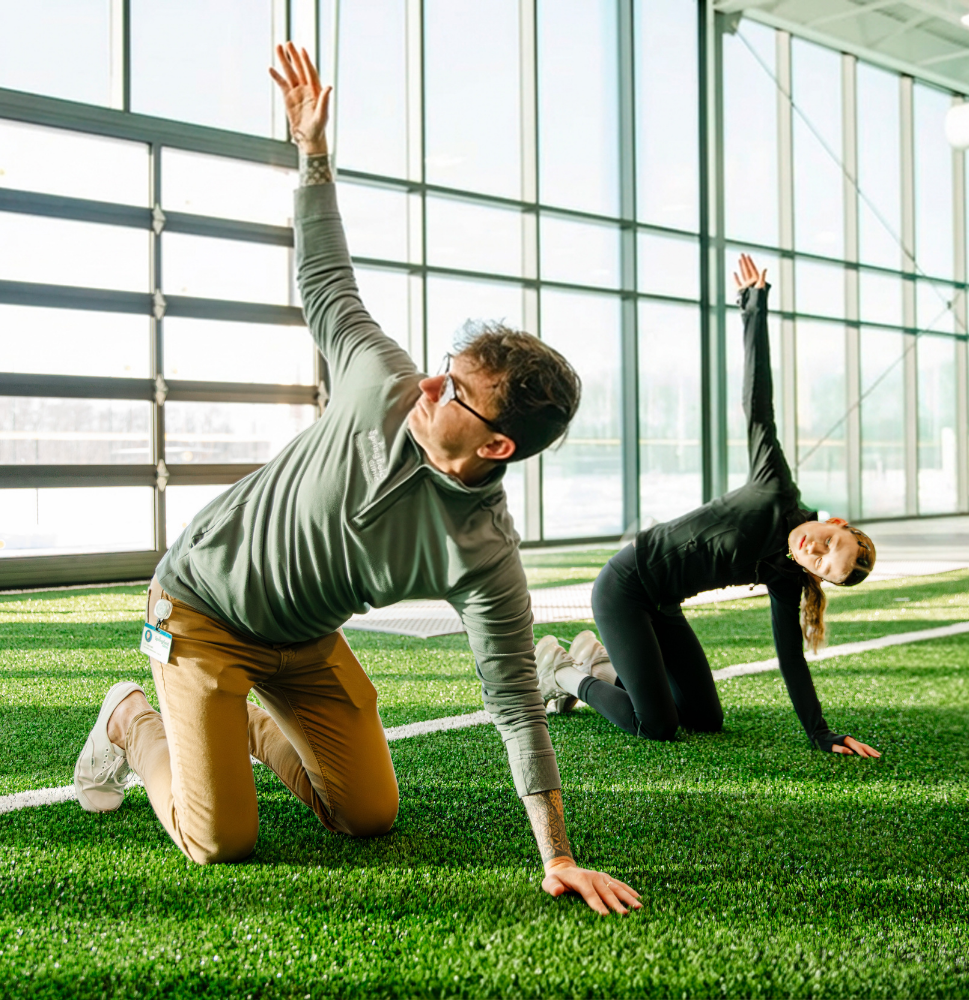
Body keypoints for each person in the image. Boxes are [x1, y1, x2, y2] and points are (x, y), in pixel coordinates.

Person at [72, 42, 640, 917]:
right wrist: (313, 152)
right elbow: (324, 280)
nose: (429, 385)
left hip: (300, 644)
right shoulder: (381, 376)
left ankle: (241, 726)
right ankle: (129, 721)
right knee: (221, 842)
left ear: (495, 448)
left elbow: (518, 699)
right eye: (445, 366)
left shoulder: (483, 555)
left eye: (455, 391)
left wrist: (557, 854)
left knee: (367, 813)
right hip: (196, 609)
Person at [535, 254, 880, 759]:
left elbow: (791, 661)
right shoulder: (776, 488)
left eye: (824, 564)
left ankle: (599, 661)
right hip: (625, 588)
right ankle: (564, 672)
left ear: (818, 576)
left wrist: (819, 732)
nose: (816, 550)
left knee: (704, 718)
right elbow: (758, 403)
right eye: (831, 543)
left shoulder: (786, 577)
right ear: (837, 523)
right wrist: (754, 307)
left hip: (659, 605)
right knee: (656, 725)